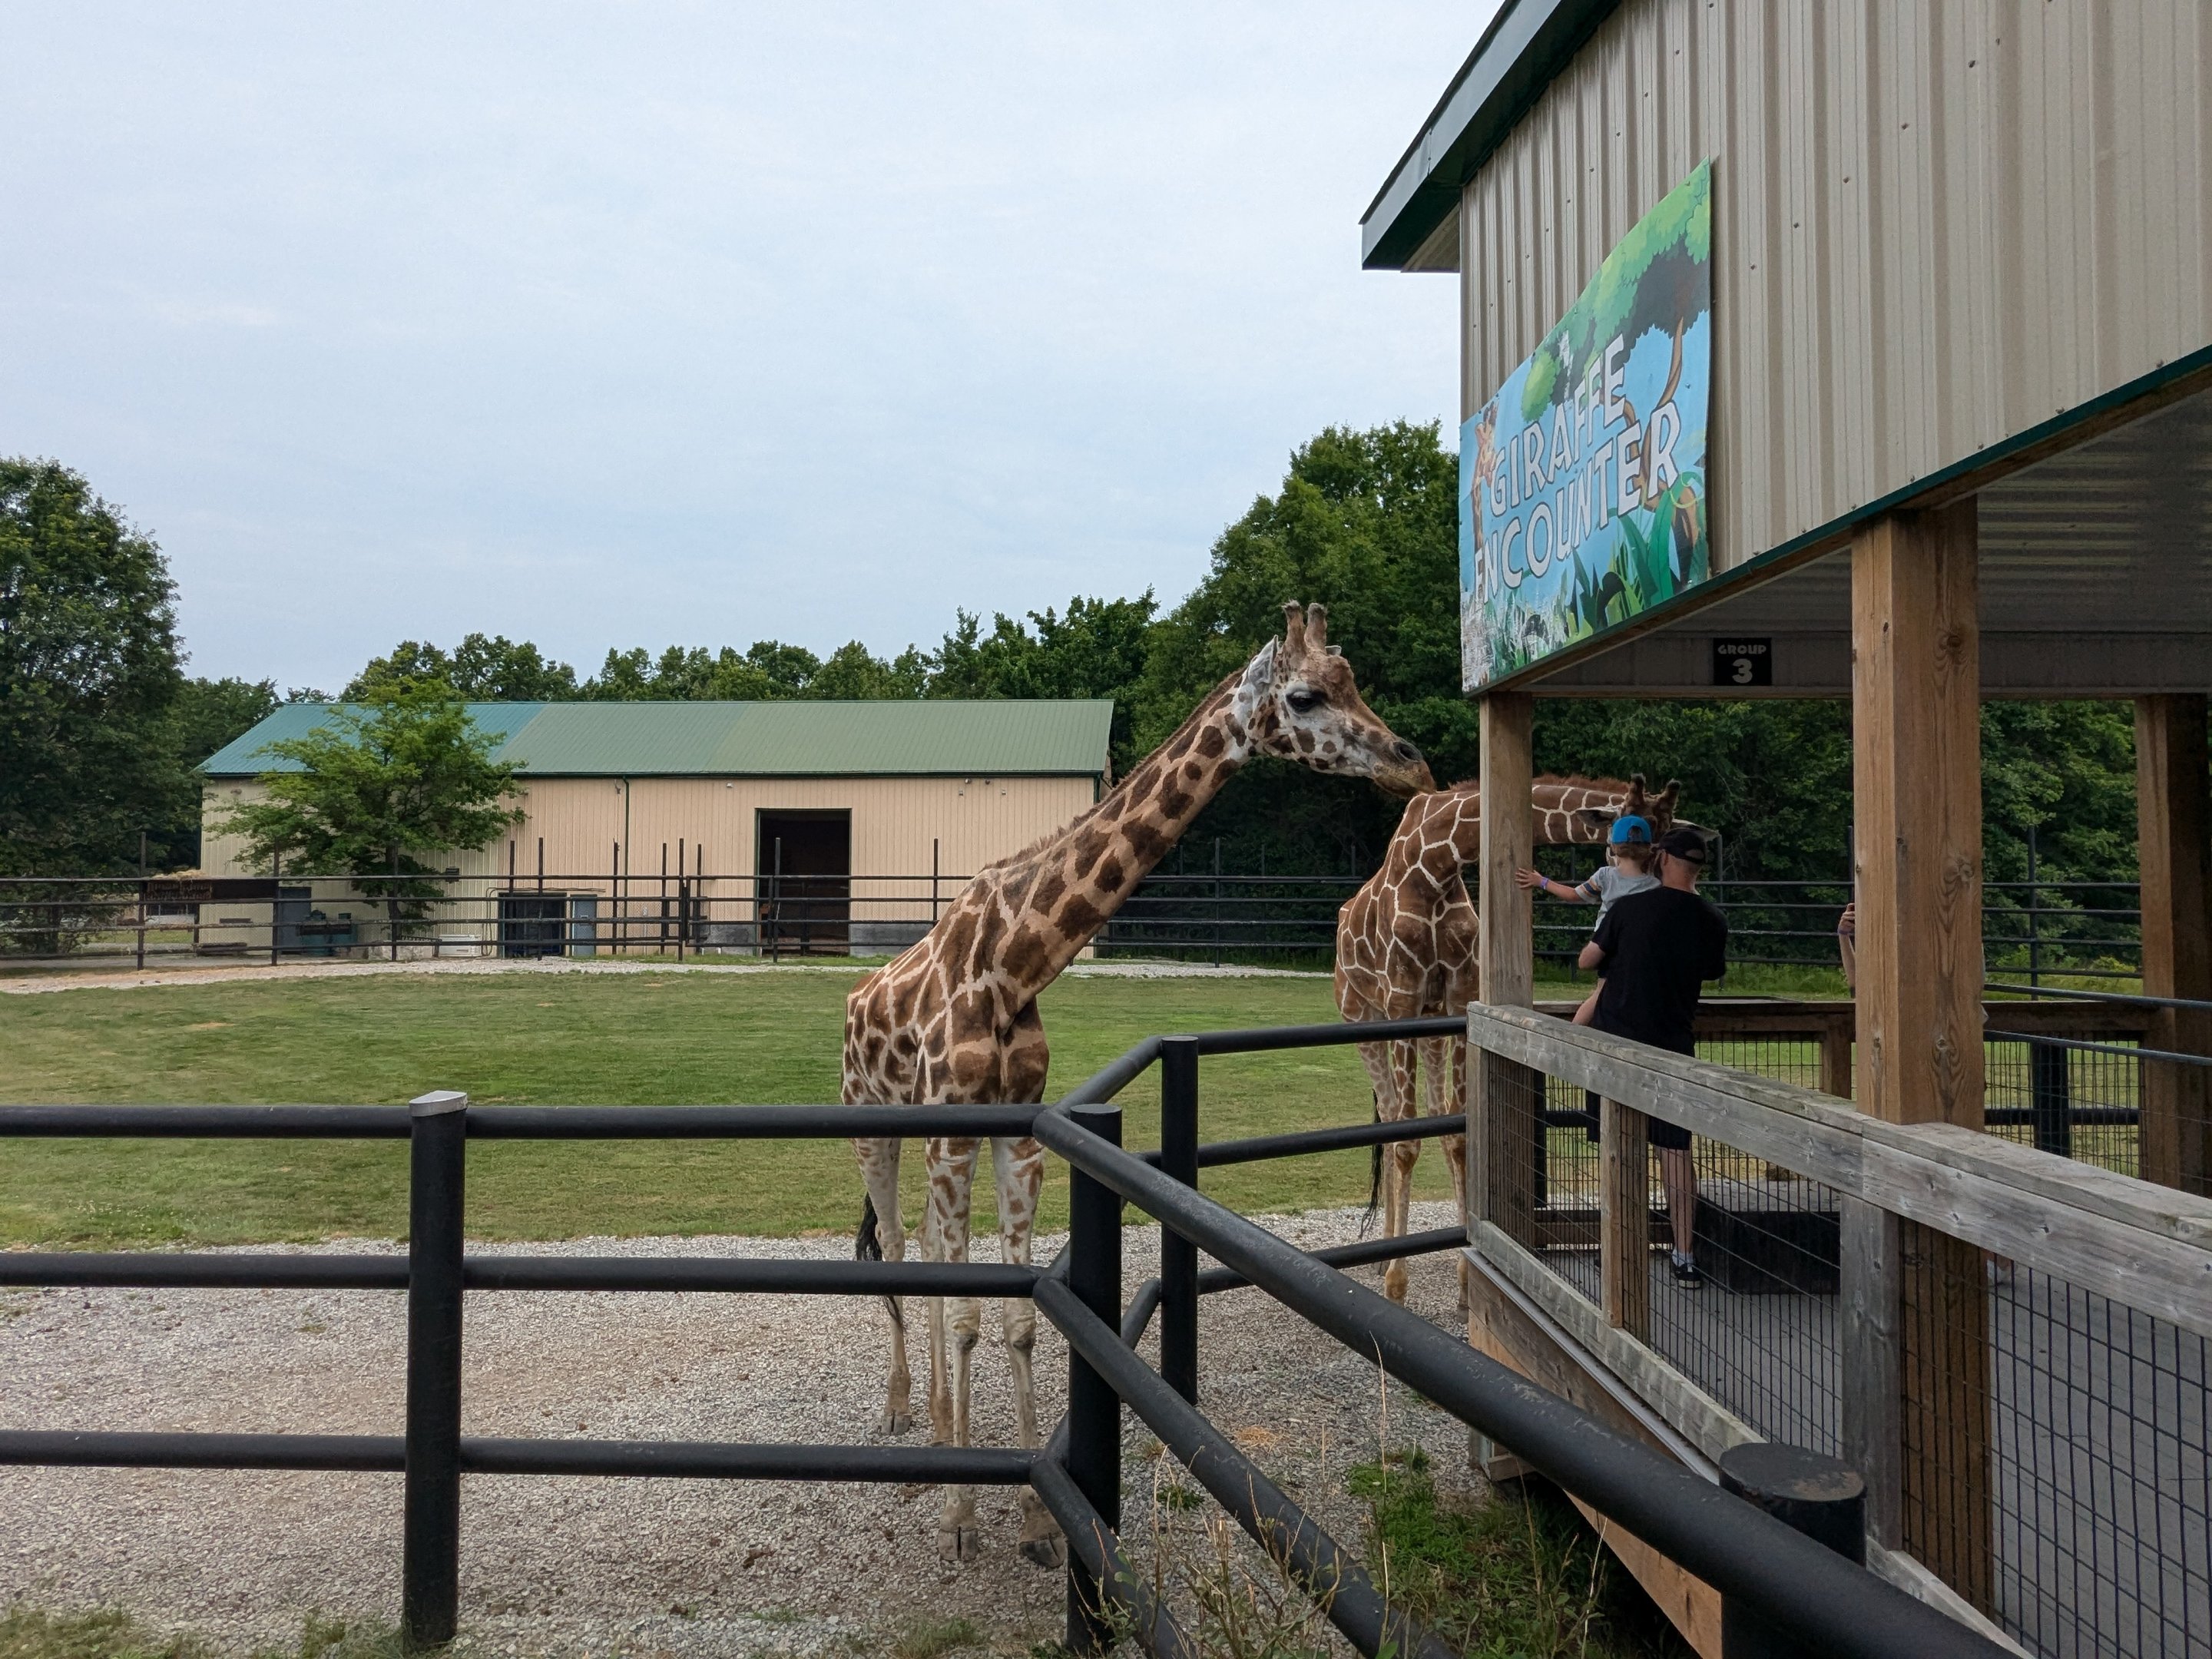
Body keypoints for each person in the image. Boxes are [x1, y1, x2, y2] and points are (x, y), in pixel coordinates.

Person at [1575, 826, 1729, 1286]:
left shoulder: (1627, 908)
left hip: (1617, 1046)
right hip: (1674, 1049)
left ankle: (1619, 1247)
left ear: (1661, 857)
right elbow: (1711, 970)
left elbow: (1588, 959)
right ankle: (1684, 1254)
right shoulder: (1712, 919)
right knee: (1676, 1152)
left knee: (1621, 1152)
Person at [1515, 815, 1659, 928]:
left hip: (1606, 945)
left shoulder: (1605, 876)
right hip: (1640, 943)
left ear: (1614, 847)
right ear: (1648, 848)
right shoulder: (1656, 885)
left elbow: (1573, 895)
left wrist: (1541, 881)